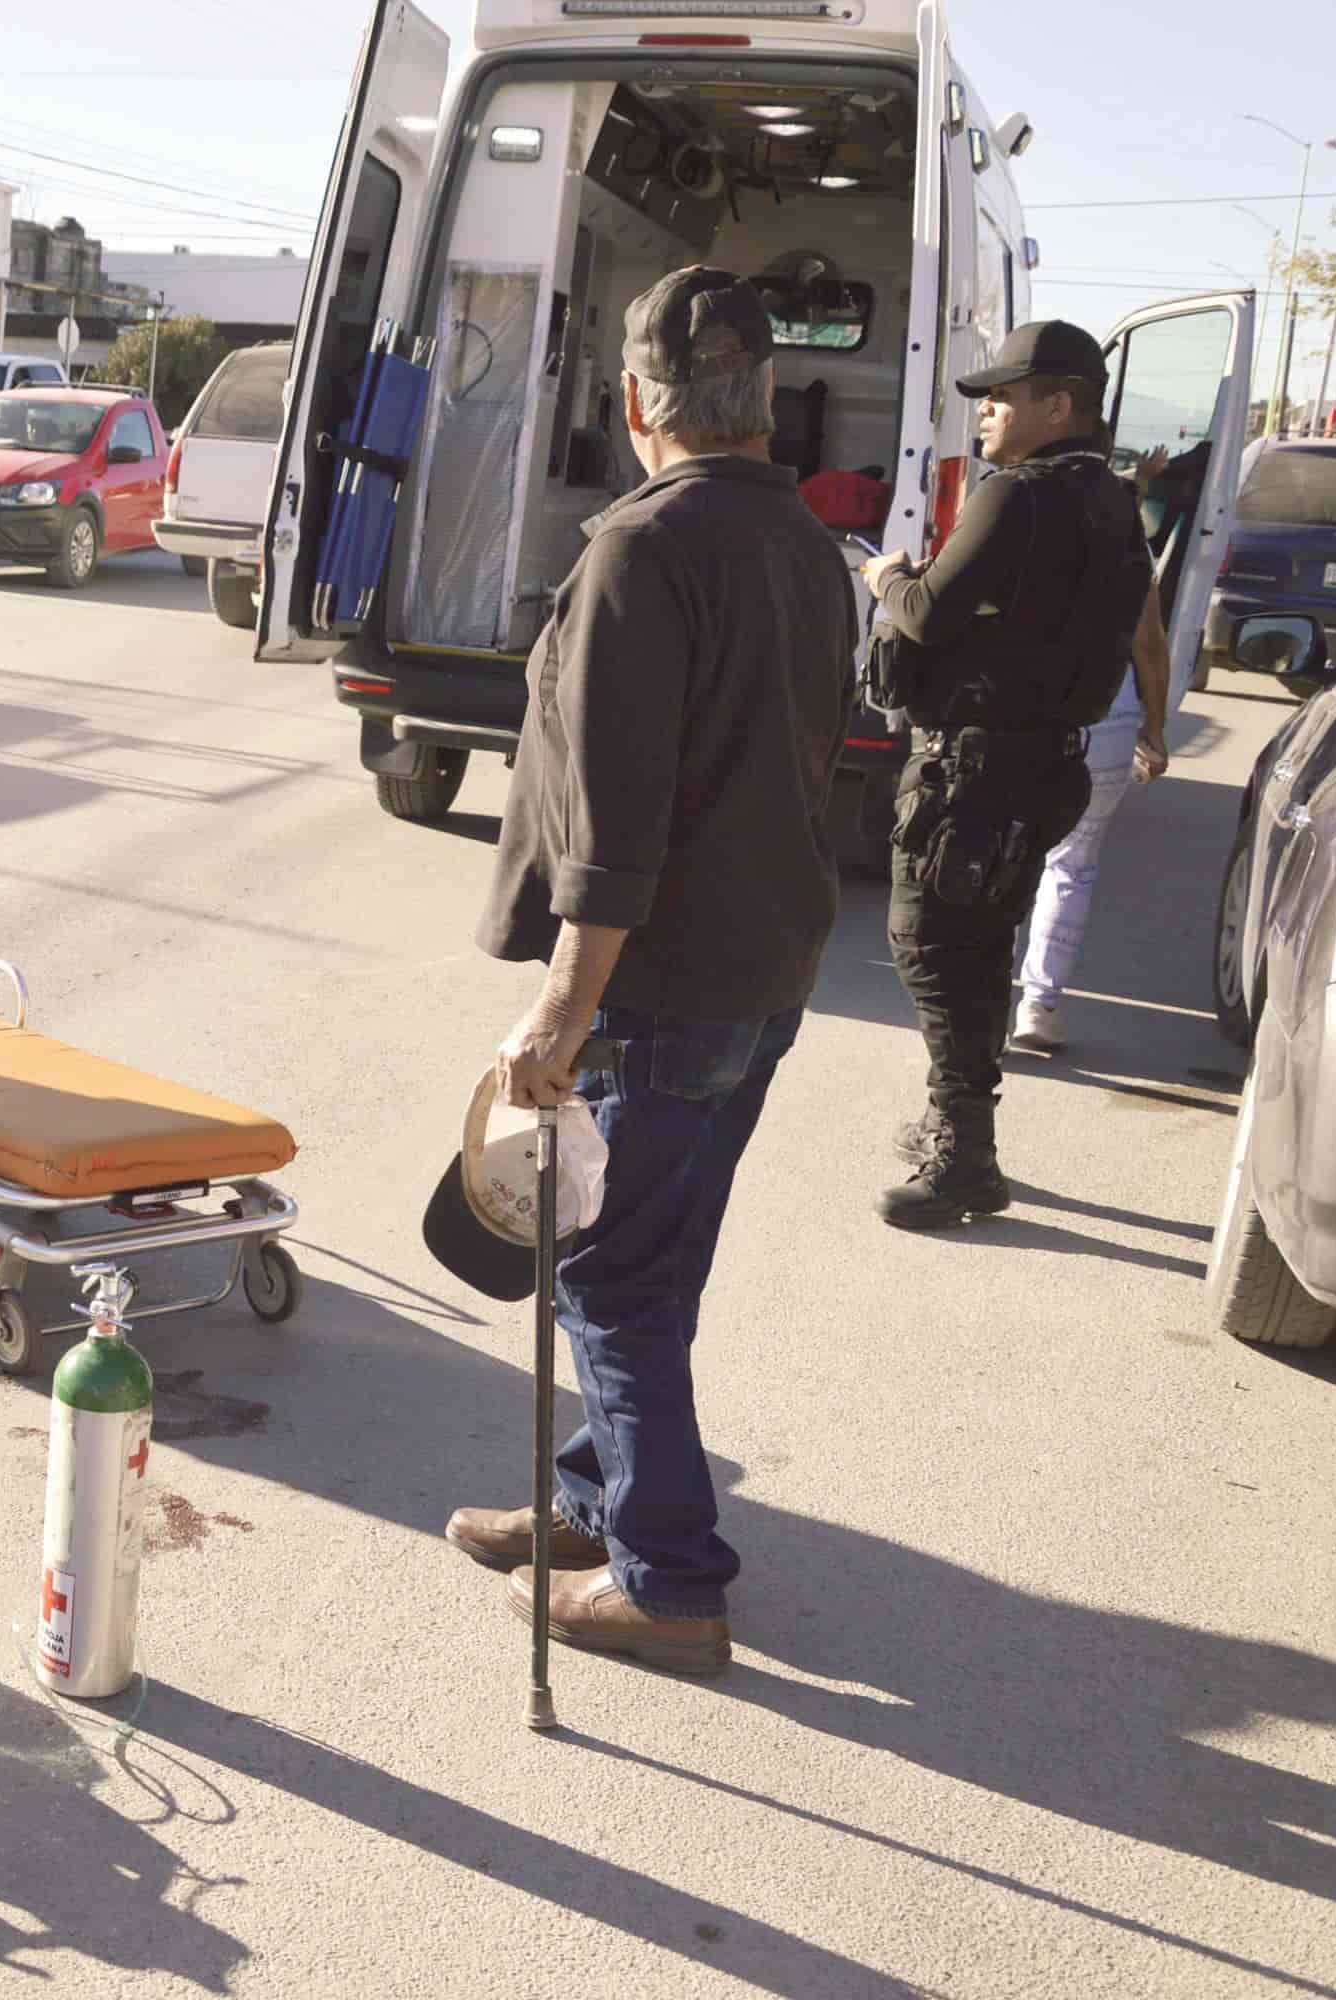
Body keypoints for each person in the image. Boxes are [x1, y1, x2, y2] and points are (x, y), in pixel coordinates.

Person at [450, 267, 855, 1676]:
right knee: (645, 1263)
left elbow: (619, 831)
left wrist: (560, 1014)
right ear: (759, 406)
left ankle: (670, 1582)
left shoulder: (642, 547)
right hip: (766, 968)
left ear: (636, 403)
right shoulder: (805, 543)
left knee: (615, 1284)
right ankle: (591, 1504)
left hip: (669, 988)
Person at [861, 322, 1153, 1226]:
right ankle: (963, 1133)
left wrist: (883, 579)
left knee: (934, 951)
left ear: (1058, 406)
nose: (985, 411)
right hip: (1043, 763)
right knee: (978, 948)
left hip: (977, 773)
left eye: (1003, 396)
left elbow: (922, 614)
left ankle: (965, 1159)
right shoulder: (1110, 498)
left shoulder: (1015, 496)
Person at [1009, 586, 1173, 1053]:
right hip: (1106, 717)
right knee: (1071, 865)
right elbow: (1149, 645)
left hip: (1017, 712)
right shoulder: (1124, 535)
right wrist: (1155, 729)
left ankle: (984, 1003)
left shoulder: (1016, 517)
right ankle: (1039, 1006)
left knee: (1000, 854)